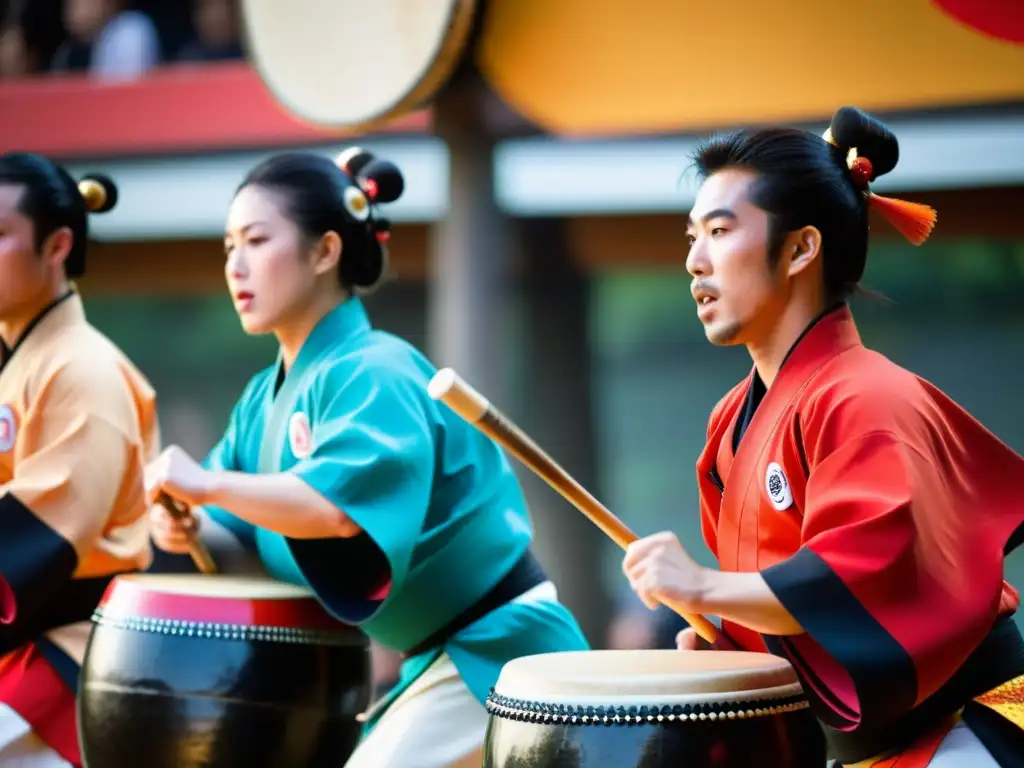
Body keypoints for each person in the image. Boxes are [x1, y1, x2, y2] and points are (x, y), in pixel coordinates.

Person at [146, 147, 590, 768]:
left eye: (255, 240)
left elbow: (332, 510)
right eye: (227, 247)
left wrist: (207, 487)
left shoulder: (375, 370)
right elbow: (233, 518)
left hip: (500, 652)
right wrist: (185, 518)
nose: (235, 266)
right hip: (438, 664)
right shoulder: (262, 398)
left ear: (325, 251)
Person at [621, 106, 1024, 768]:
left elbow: (853, 577)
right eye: (691, 236)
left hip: (973, 729)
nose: (695, 262)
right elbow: (778, 614)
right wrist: (729, 641)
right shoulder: (730, 421)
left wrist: (700, 586)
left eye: (719, 231)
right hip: (875, 747)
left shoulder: (867, 393)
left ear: (802, 248)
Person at [0, 153, 158, 766]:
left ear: (57, 244)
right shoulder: (23, 360)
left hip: (72, 654)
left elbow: (37, 541)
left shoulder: (82, 370)